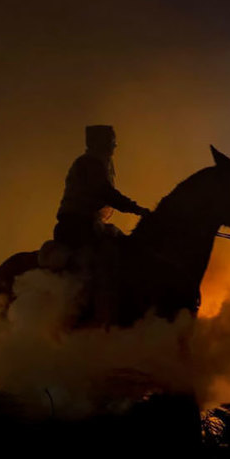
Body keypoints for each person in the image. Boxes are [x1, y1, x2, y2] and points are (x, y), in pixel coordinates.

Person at [51, 125, 150, 325]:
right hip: (78, 226)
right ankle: (102, 314)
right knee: (108, 258)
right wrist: (136, 209)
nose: (114, 145)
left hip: (80, 223)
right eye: (110, 141)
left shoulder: (92, 163)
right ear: (100, 142)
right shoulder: (90, 164)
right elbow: (105, 192)